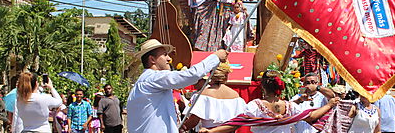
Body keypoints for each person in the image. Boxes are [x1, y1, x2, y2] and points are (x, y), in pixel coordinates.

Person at [126, 39, 228, 133]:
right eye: (165, 55)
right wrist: (216, 57)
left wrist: (174, 127)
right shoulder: (153, 78)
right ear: (152, 59)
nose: (169, 59)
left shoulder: (144, 82)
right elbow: (191, 75)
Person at [199, 70, 340, 133]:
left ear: (263, 87)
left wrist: (212, 132)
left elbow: (236, 124)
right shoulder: (290, 107)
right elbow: (311, 116)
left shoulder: (255, 106)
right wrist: (329, 105)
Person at [181, 63, 246, 131]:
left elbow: (194, 121)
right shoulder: (235, 96)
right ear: (226, 75)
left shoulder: (201, 95)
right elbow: (238, 122)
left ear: (211, 74)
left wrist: (182, 128)